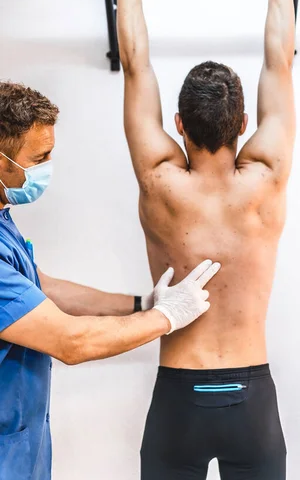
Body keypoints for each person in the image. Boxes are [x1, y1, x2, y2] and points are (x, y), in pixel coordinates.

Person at [109, 0, 296, 480]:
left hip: (178, 402)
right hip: (252, 404)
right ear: (244, 123)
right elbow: (279, 63)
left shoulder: (159, 180)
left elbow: (136, 63)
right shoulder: (267, 178)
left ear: (178, 124)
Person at [0, 81, 221, 480]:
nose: (48, 166)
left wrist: (142, 304)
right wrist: (167, 318)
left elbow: (42, 288)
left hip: (21, 446)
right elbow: (70, 342)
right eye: (40, 157)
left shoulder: (3, 221)